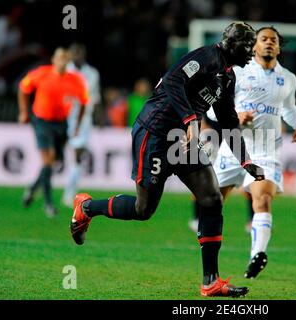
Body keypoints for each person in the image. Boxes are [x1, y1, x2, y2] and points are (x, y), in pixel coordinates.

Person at [70, 21, 264, 297]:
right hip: (156, 133)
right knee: (144, 209)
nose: (251, 53)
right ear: (234, 45)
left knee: (211, 198)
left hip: (183, 138)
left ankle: (211, 281)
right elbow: (174, 80)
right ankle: (87, 207)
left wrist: (246, 162)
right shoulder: (207, 57)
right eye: (248, 48)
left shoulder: (228, 77)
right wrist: (191, 121)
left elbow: (229, 122)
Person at [207, 26, 296, 279]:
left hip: (266, 150)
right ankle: (209, 266)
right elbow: (210, 110)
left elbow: (289, 108)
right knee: (211, 203)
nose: (268, 43)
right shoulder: (237, 72)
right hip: (234, 146)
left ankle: (257, 255)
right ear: (254, 45)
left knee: (262, 199)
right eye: (263, 39)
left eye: (273, 40)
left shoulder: (288, 78)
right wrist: (236, 116)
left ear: (279, 46)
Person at [19, 47, 88, 216]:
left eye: (65, 58)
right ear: (53, 60)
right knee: (49, 159)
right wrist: (23, 111)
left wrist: (78, 124)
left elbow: (84, 102)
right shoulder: (42, 73)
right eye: (60, 58)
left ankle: (32, 188)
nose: (62, 61)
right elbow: (23, 87)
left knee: (53, 161)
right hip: (42, 121)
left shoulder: (75, 80)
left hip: (61, 123)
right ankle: (48, 204)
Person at [62, 43, 101, 207]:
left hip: (83, 118)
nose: (77, 55)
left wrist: (99, 118)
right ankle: (40, 189)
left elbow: (95, 97)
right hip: (64, 116)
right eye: (74, 53)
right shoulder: (64, 71)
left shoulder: (92, 73)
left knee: (78, 155)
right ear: (70, 54)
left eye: (79, 52)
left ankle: (69, 192)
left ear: (84, 54)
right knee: (55, 156)